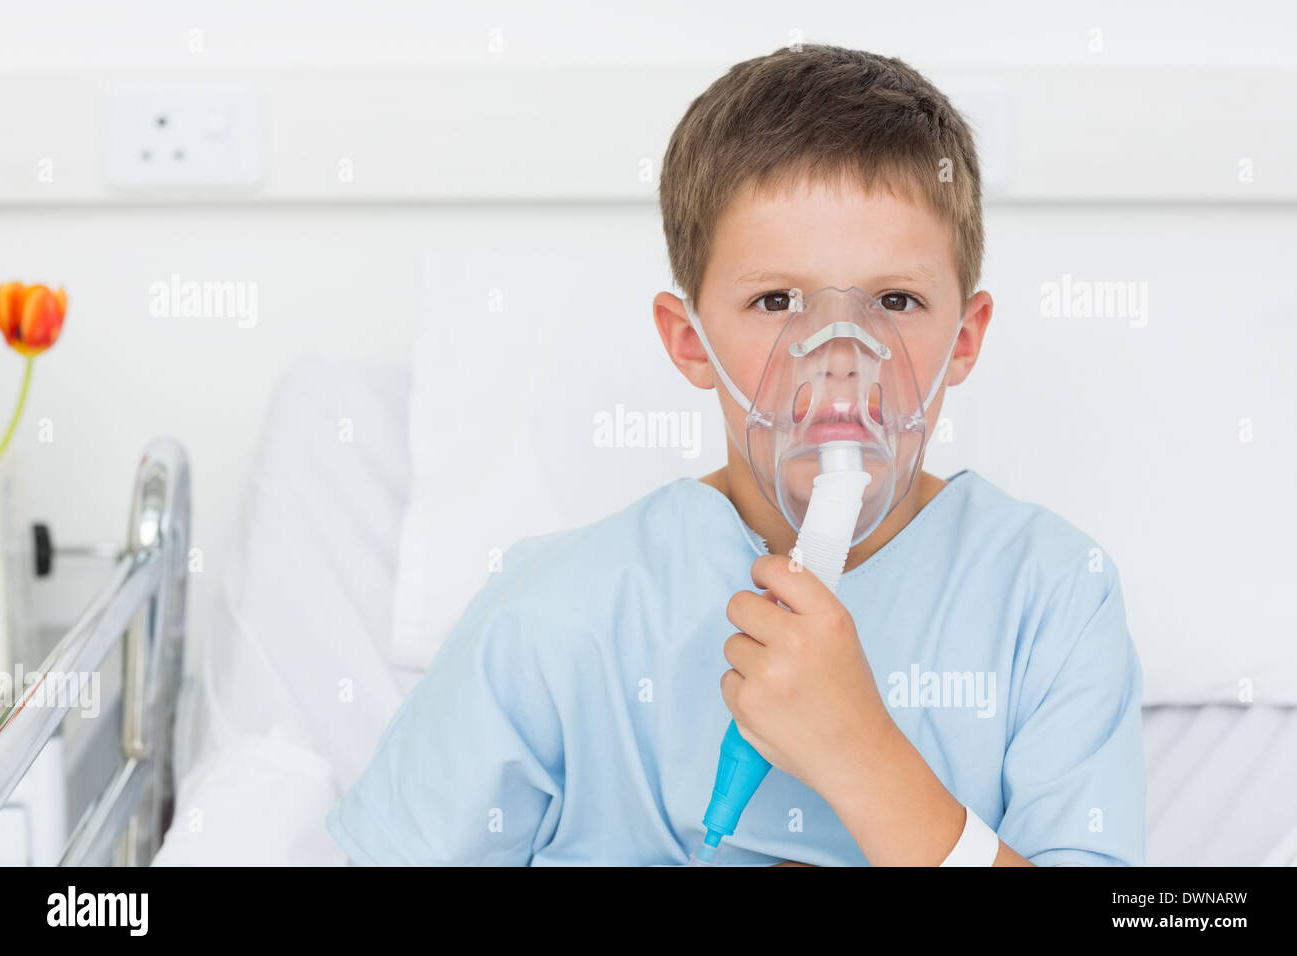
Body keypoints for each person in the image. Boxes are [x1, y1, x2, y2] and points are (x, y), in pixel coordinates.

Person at [326, 44, 1146, 867]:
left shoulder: (1049, 602)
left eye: (896, 301)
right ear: (689, 342)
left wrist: (859, 752)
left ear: (963, 340)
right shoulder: (555, 620)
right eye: (776, 301)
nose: (839, 354)